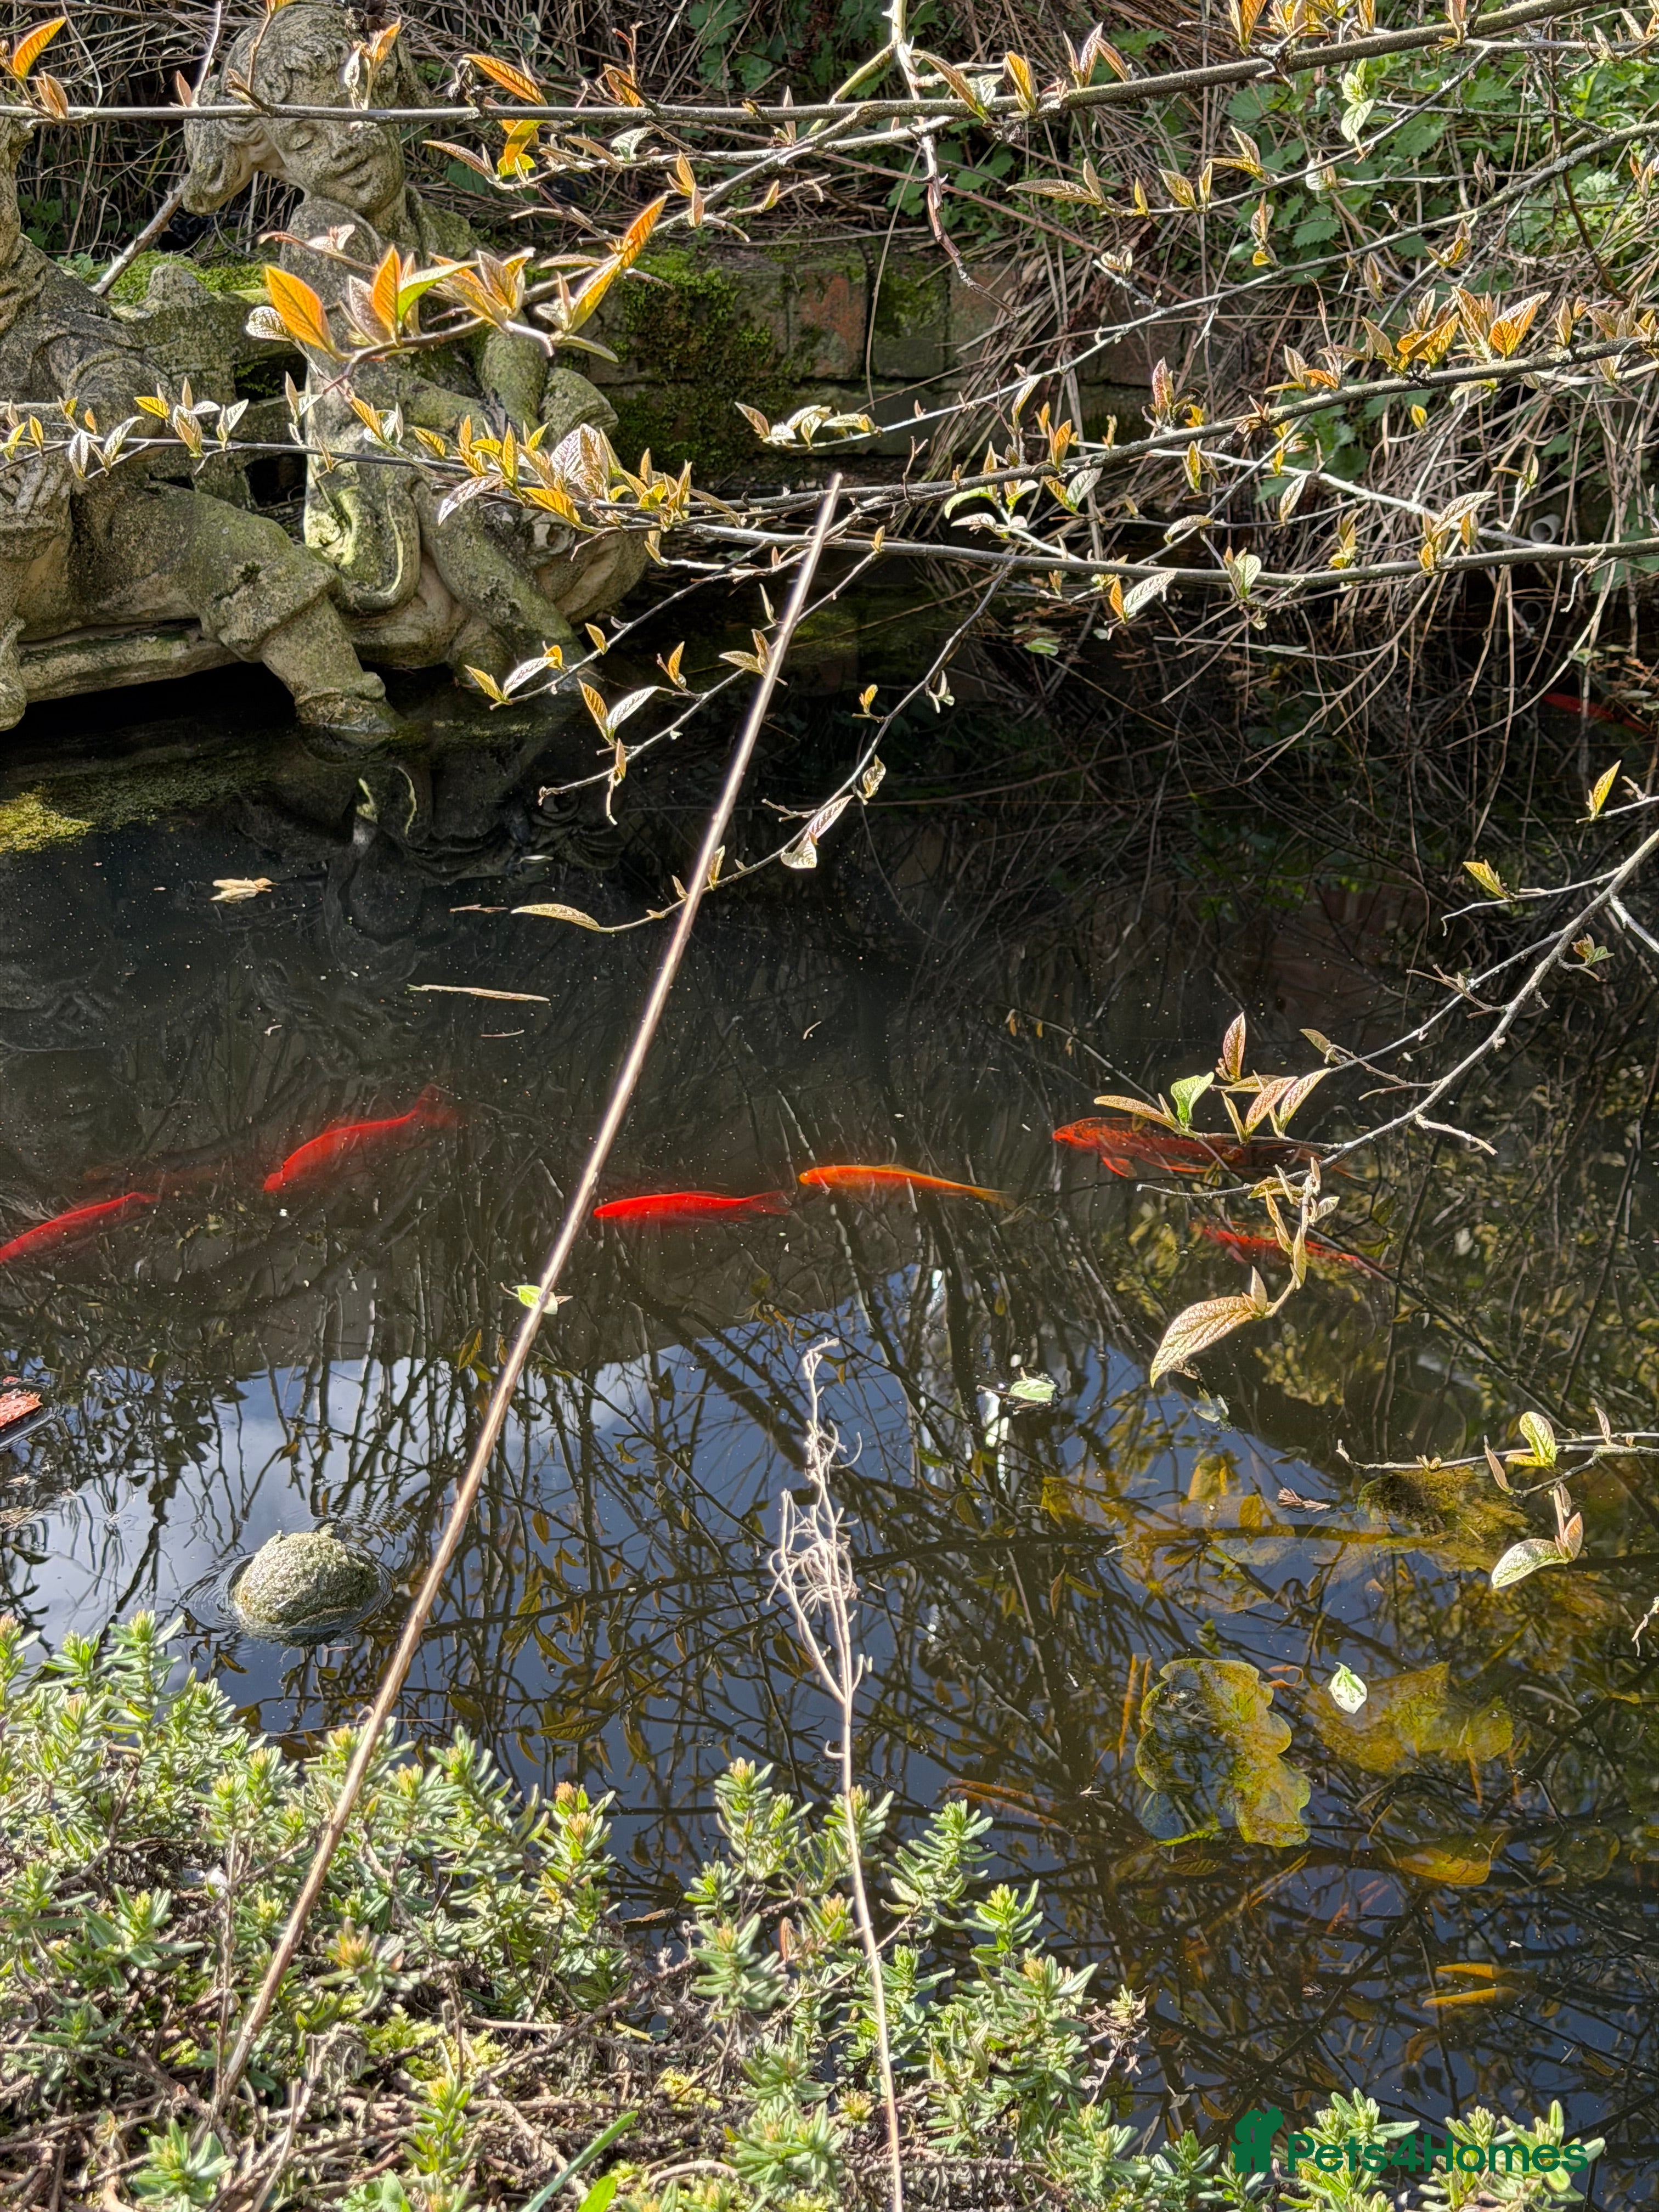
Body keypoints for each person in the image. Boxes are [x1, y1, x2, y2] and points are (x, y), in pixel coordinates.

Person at [183, 2, 645, 681]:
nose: (343, 148)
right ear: (277, 164)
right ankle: (555, 658)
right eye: (309, 139)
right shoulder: (316, 247)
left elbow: (508, 327)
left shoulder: (442, 229)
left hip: (481, 425)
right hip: (378, 449)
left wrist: (510, 419)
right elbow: (364, 385)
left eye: (352, 114)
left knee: (575, 403)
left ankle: (495, 624)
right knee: (439, 485)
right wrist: (473, 429)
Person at [0, 111, 398, 740]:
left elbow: (125, 386)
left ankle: (351, 718)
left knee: (252, 556)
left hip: (93, 544)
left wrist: (67, 441)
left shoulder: (38, 293)